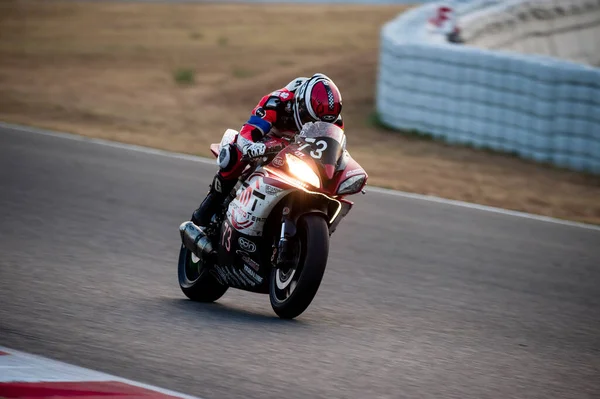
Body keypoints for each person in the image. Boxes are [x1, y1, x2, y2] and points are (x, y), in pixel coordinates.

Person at [191, 73, 344, 227]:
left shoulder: (332, 119)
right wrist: (251, 147)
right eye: (309, 121)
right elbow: (249, 132)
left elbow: (334, 150)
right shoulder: (277, 101)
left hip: (302, 149)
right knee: (233, 155)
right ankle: (208, 208)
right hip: (270, 138)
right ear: (300, 105)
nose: (312, 125)